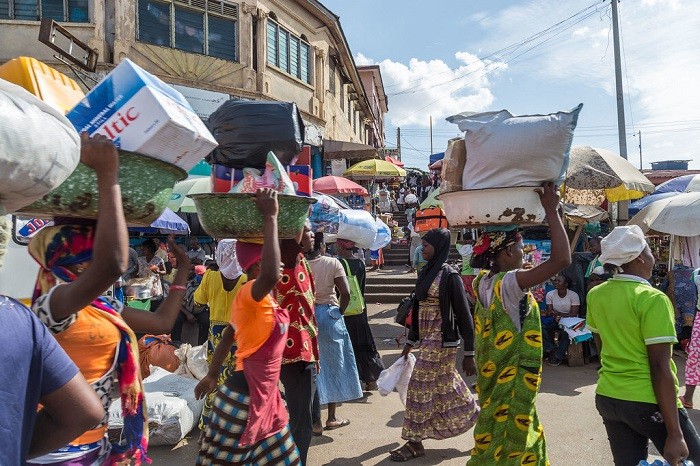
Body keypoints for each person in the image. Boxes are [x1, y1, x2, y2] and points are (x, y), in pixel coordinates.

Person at [27, 134, 192, 465]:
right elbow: (112, 263)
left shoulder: (101, 307)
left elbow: (162, 322)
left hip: (94, 445)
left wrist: (183, 271)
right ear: (69, 260)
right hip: (57, 455)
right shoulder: (53, 305)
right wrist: (107, 175)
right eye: (90, 256)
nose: (98, 263)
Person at [194, 189, 301, 465]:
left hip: (265, 398)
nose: (278, 263)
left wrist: (211, 375)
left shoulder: (262, 301)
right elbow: (272, 273)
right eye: (270, 258)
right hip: (242, 400)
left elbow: (227, 337)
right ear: (257, 265)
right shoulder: (250, 292)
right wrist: (271, 215)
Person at [468, 182, 571, 465]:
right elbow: (562, 259)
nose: (524, 255)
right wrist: (552, 211)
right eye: (521, 249)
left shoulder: (482, 281)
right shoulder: (511, 283)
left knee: (500, 432)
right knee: (513, 439)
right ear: (505, 254)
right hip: (512, 381)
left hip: (493, 379)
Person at [588, 225, 700, 465]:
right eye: (649, 250)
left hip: (609, 397)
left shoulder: (596, 294)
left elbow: (602, 348)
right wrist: (675, 433)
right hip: (647, 400)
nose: (651, 257)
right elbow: (660, 367)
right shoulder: (652, 299)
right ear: (639, 256)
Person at [390, 228, 479, 462]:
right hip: (427, 340)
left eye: (427, 246)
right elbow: (418, 310)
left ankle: (414, 442)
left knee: (418, 391)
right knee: (446, 387)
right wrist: (409, 344)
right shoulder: (426, 271)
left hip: (442, 343)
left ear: (438, 248)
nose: (422, 249)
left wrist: (469, 353)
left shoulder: (450, 276)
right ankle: (480, 416)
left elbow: (464, 316)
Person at [0, 295, 105, 465]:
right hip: (61, 449)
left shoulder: (106, 307)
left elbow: (161, 321)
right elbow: (84, 412)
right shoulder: (22, 314)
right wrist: (12, 449)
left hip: (87, 443)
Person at [306, 232, 363, 430]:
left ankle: (315, 421)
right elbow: (346, 293)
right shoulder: (332, 263)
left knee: (311, 368)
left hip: (307, 318)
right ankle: (331, 417)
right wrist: (338, 313)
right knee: (333, 366)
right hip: (330, 315)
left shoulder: (299, 265)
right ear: (321, 245)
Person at [274, 222, 321, 463]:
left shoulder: (301, 260)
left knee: (302, 420)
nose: (313, 234)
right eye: (307, 229)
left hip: (304, 353)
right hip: (295, 357)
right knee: (301, 425)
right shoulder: (284, 264)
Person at [192, 239, 247, 434]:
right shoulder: (247, 279)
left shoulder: (210, 277)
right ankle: (236, 426)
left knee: (213, 378)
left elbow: (197, 302)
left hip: (216, 336)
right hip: (240, 334)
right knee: (238, 379)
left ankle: (211, 426)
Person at [336, 238, 385, 391]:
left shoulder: (338, 264)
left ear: (341, 246)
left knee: (348, 346)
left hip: (344, 310)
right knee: (364, 345)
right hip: (359, 309)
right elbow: (361, 287)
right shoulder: (360, 263)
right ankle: (371, 379)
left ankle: (353, 381)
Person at [543, 273, 580, 366]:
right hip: (556, 320)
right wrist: (553, 315)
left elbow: (574, 313)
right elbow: (550, 311)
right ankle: (552, 349)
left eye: (559, 281)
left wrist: (559, 314)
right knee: (542, 328)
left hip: (570, 322)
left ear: (566, 284)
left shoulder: (573, 295)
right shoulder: (550, 294)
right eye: (555, 280)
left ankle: (558, 356)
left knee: (567, 332)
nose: (555, 282)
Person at [681, 263, 700, 409]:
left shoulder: (696, 274)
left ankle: (688, 398)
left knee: (694, 358)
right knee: (694, 358)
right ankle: (687, 398)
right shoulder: (696, 274)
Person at [137, 238, 167, 309]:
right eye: (142, 249)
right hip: (142, 288)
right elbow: (136, 272)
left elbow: (164, 271)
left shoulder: (159, 260)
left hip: (154, 288)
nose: (142, 251)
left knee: (154, 308)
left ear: (150, 249)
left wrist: (158, 272)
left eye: (144, 249)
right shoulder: (140, 260)